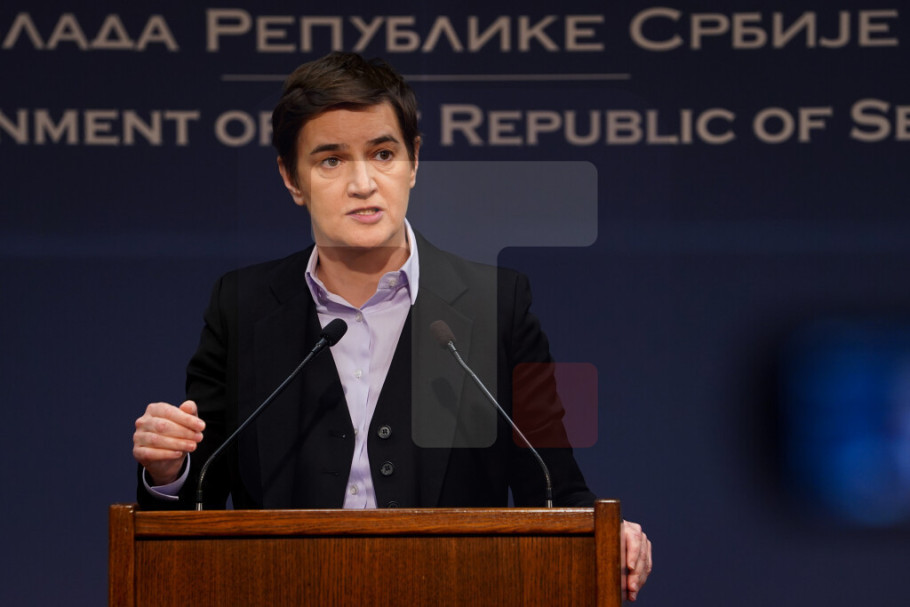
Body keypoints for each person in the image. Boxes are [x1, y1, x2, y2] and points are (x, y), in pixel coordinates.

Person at [132, 51, 652, 600]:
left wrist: (604, 533)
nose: (363, 183)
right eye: (331, 160)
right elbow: (197, 503)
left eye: (383, 154)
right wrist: (169, 472)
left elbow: (553, 488)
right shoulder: (241, 308)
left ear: (414, 161)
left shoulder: (497, 306)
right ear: (291, 177)